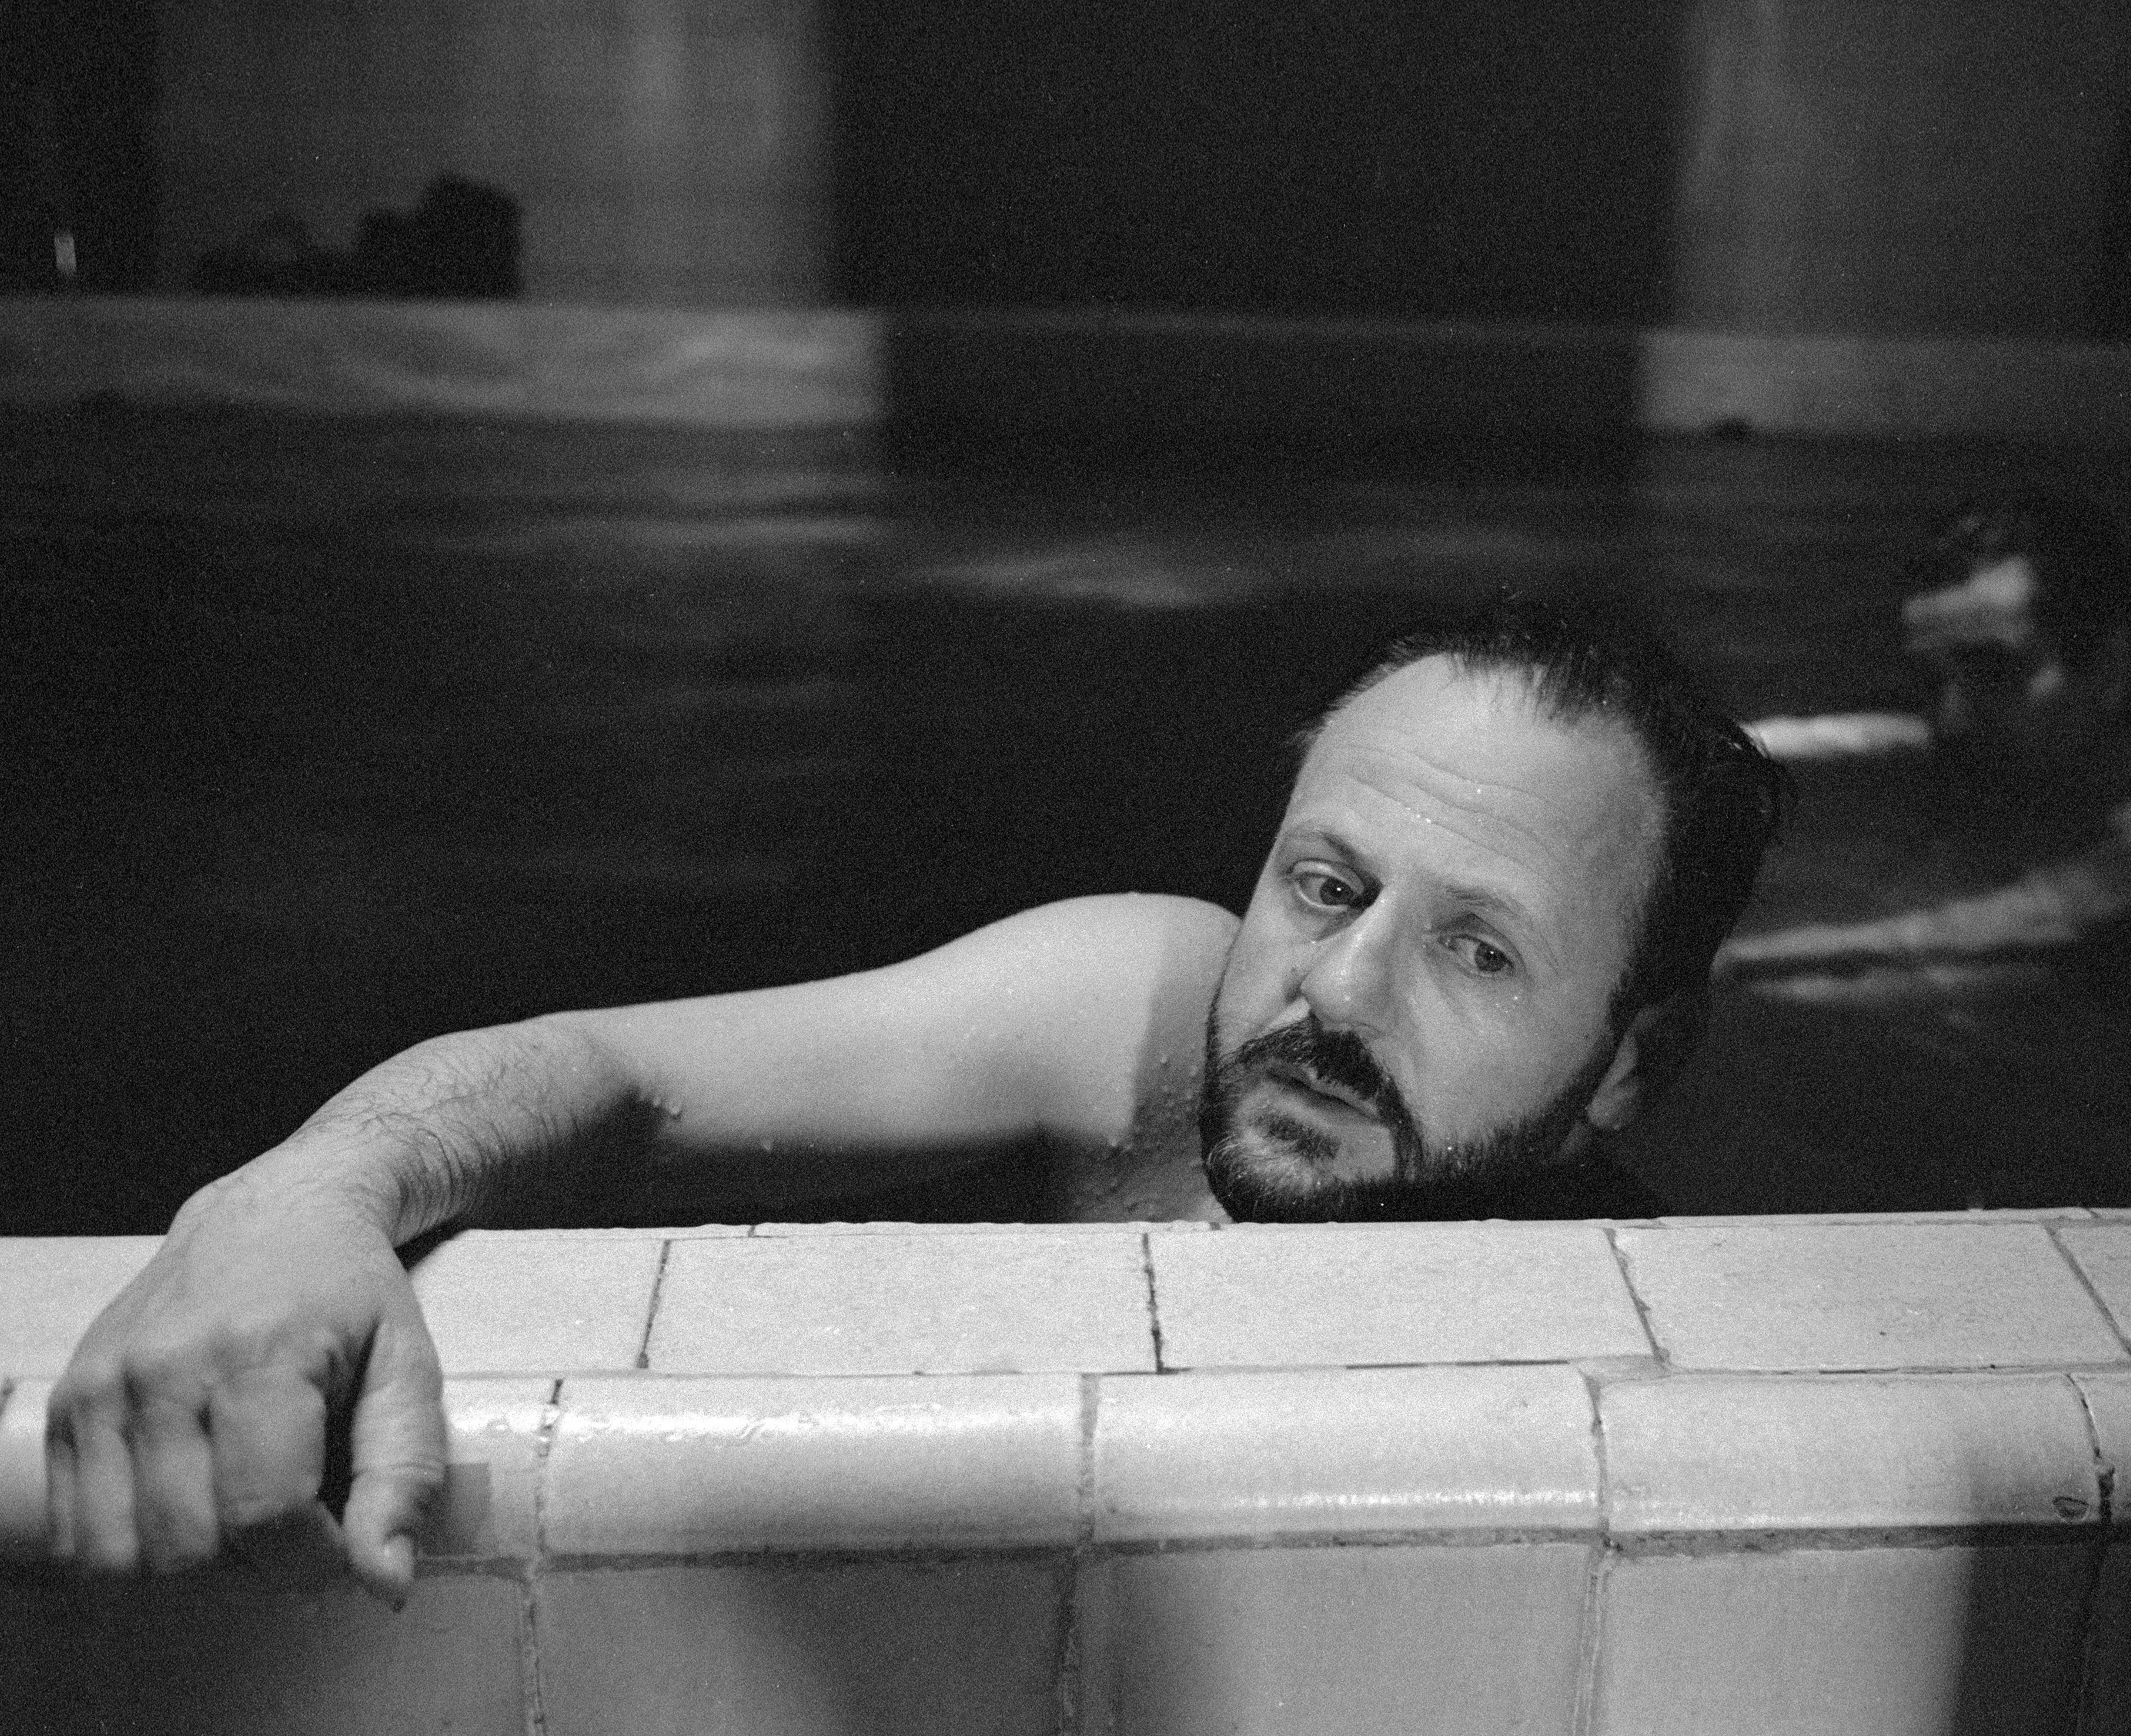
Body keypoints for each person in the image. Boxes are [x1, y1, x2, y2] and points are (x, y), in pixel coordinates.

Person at [45, 602, 1783, 1599]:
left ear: (1632, 1062)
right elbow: (619, 1079)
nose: (1336, 992)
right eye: (1326, 887)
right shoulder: (1143, 1021)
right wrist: (302, 1197)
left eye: (1479, 952)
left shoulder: (1645, 1378)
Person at [1720, 491, 2131, 996]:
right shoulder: (2015, 743)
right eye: (1934, 679)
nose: (1951, 714)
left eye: (1991, 670)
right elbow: (1867, 735)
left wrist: (1732, 963)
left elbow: (2037, 918)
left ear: (2110, 667)